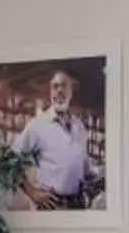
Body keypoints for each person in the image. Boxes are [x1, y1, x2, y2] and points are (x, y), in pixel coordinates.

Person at [13, 68, 100, 208]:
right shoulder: (37, 126)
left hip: (77, 204)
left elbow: (84, 168)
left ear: (71, 92)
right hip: (50, 205)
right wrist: (32, 192)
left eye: (64, 85)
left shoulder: (80, 127)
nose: (59, 90)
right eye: (55, 87)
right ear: (50, 93)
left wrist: (99, 178)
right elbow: (10, 161)